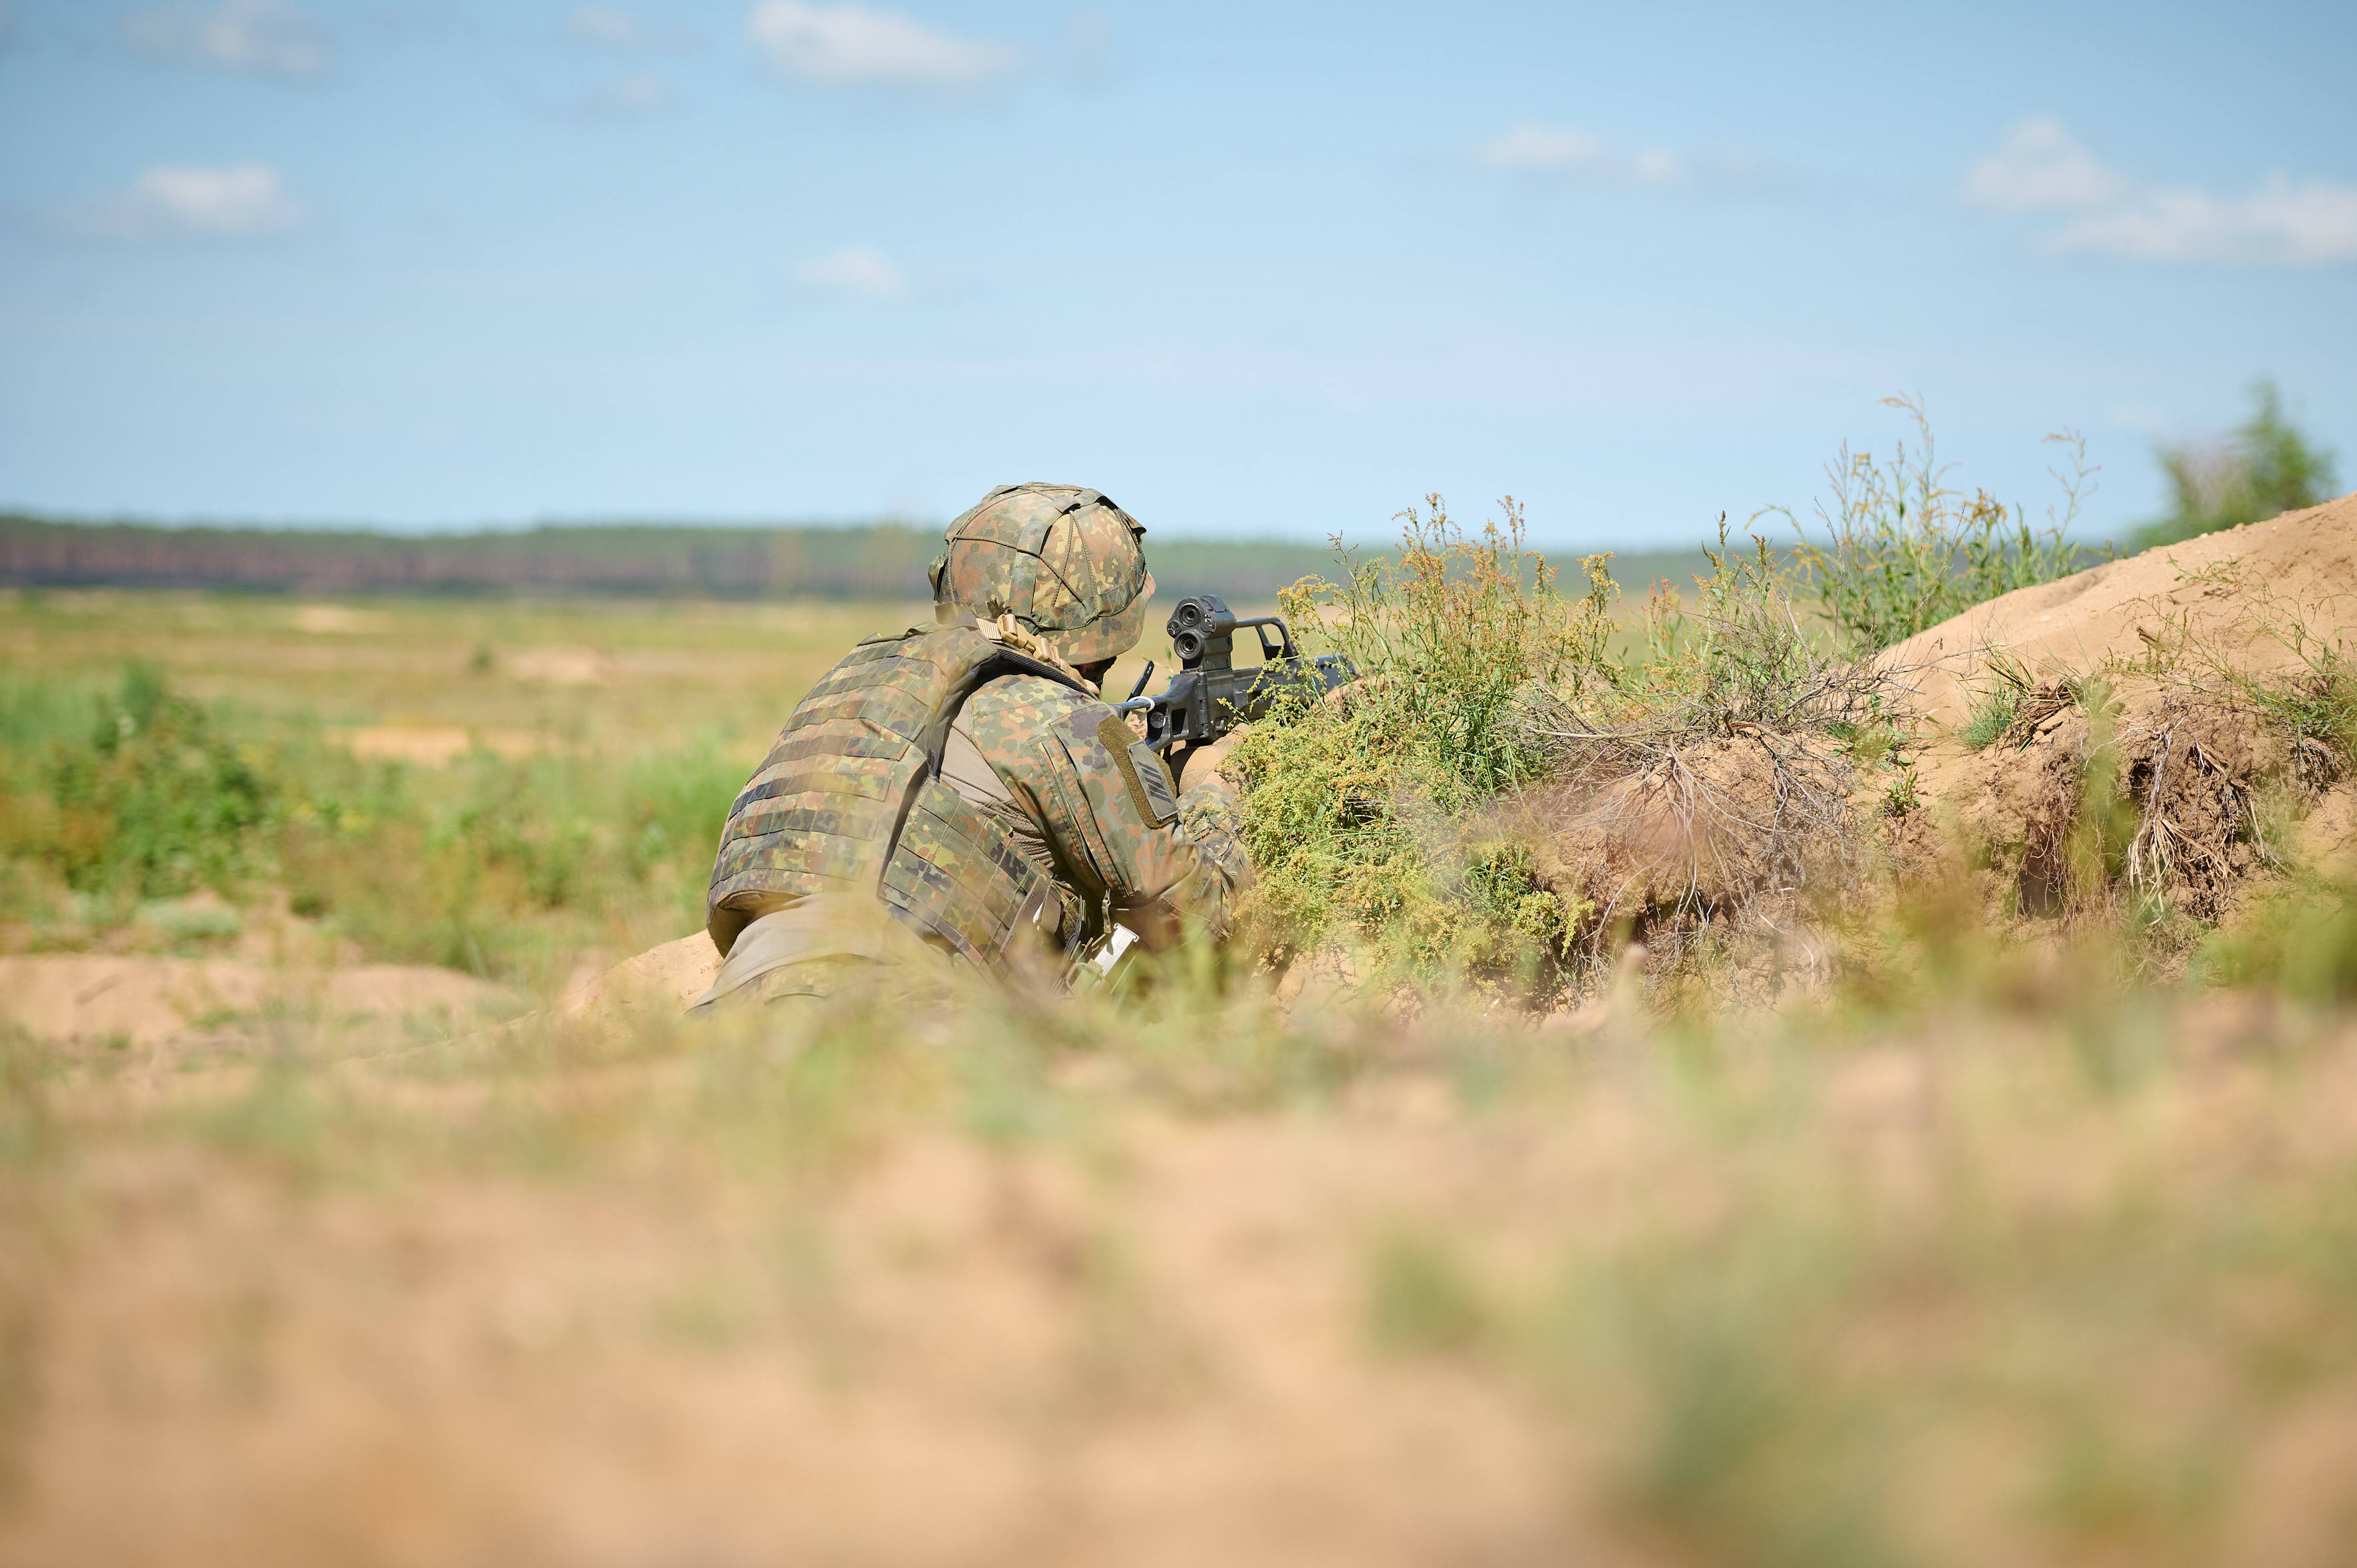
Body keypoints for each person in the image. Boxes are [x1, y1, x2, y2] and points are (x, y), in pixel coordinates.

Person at [693, 482, 1252, 1011]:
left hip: (737, 1003)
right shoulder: (1062, 720)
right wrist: (1215, 788)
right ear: (1099, 614)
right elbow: (1194, 910)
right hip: (910, 1015)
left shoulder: (856, 685)